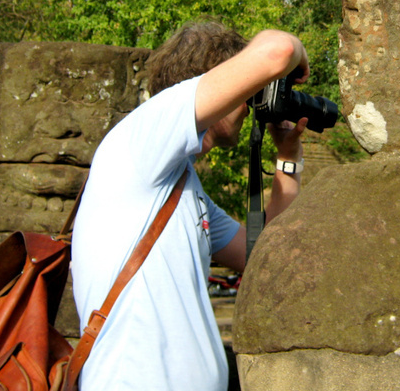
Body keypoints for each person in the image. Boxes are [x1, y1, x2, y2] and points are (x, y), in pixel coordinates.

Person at [71, 21, 309, 391]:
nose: (248, 106)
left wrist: (288, 159)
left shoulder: (179, 185)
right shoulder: (141, 138)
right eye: (244, 92)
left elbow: (264, 257)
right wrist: (299, 51)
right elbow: (277, 51)